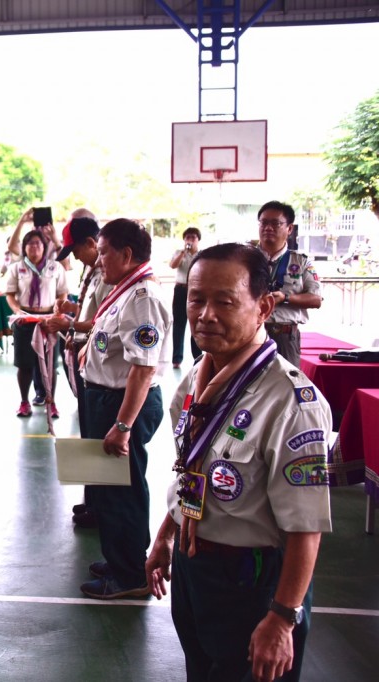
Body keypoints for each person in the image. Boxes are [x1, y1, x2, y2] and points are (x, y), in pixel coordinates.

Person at [146, 243, 331, 682]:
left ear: (264, 306)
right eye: (196, 299)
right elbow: (192, 467)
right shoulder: (196, 377)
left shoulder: (292, 403)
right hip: (197, 570)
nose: (206, 314)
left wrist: (283, 619)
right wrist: (166, 535)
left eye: (225, 302)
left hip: (255, 579)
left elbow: (305, 528)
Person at [80, 218, 172, 600]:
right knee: (108, 487)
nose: (99, 260)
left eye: (103, 252)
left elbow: (143, 367)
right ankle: (120, 558)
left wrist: (123, 424)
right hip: (108, 399)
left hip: (123, 404)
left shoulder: (143, 298)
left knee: (123, 489)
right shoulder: (126, 290)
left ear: (127, 254)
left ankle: (130, 574)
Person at [45, 216, 113, 528]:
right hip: (88, 362)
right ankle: (93, 502)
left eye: (75, 251)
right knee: (88, 436)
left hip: (101, 364)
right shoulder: (93, 271)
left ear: (91, 243)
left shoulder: (108, 274)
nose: (74, 258)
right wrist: (73, 310)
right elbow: (93, 312)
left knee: (98, 440)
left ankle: (100, 506)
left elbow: (104, 322)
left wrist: (70, 324)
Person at [5, 229, 68, 418]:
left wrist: (58, 309)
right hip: (25, 319)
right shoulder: (17, 268)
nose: (34, 247)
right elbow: (9, 294)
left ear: (45, 247)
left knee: (50, 365)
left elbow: (62, 292)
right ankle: (24, 401)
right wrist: (18, 311)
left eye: (38, 243)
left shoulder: (55, 267)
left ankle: (52, 402)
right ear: (24, 247)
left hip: (49, 319)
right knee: (24, 364)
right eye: (30, 243)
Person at [254, 201, 322, 367]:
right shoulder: (245, 259)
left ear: (289, 229)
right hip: (250, 334)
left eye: (275, 223)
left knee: (287, 386)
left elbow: (316, 299)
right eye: (264, 222)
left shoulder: (301, 262)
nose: (268, 228)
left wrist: (285, 298)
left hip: (284, 336)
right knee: (246, 387)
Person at [168, 227, 203, 369]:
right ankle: (177, 358)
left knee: (196, 323)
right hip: (181, 289)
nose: (190, 240)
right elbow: (172, 265)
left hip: (196, 291)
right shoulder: (179, 253)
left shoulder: (201, 255)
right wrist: (183, 252)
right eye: (187, 237)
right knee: (178, 324)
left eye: (193, 237)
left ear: (198, 240)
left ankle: (198, 357)